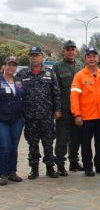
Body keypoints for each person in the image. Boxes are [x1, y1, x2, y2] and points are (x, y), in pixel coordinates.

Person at [17, 47, 62, 179]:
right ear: (29, 58)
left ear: (41, 57)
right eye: (32, 55)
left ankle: (50, 168)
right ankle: (34, 169)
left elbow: (56, 93)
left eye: (37, 55)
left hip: (47, 116)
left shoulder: (49, 73)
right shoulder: (22, 74)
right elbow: (17, 94)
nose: (34, 58)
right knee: (32, 144)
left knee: (48, 144)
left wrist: (58, 109)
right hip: (30, 117)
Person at [70, 47, 100, 177]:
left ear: (98, 58)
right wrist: (77, 114)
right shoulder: (79, 76)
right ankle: (88, 167)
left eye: (94, 56)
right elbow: (74, 97)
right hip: (85, 117)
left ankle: (99, 165)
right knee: (86, 144)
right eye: (89, 56)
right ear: (85, 59)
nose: (92, 59)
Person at [53, 40, 84, 175]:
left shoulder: (81, 66)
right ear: (63, 51)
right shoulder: (57, 67)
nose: (71, 51)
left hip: (78, 109)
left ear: (76, 51)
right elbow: (55, 90)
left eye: (73, 49)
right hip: (64, 109)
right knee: (62, 138)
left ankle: (74, 162)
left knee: (76, 138)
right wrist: (57, 109)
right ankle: (60, 164)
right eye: (68, 49)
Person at [0, 56, 24, 186]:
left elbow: (24, 97)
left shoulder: (18, 81)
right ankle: (2, 174)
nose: (12, 67)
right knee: (5, 146)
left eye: (14, 65)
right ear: (4, 66)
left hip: (17, 119)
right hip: (2, 120)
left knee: (14, 147)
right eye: (9, 64)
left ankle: (12, 172)